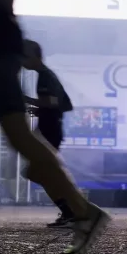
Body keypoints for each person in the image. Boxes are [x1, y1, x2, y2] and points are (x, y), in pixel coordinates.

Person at [0, 0, 110, 254]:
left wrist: (31, 103)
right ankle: (78, 211)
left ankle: (79, 211)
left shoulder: (45, 77)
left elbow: (55, 104)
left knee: (21, 139)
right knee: (23, 143)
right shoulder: (43, 74)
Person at [23, 39, 75, 228]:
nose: (22, 61)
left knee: (40, 172)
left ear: (36, 57)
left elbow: (52, 102)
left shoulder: (45, 76)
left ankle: (74, 210)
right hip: (50, 129)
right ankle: (70, 210)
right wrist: (42, 111)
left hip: (49, 132)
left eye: (25, 56)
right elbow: (63, 104)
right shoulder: (47, 76)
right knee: (40, 173)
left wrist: (26, 99)